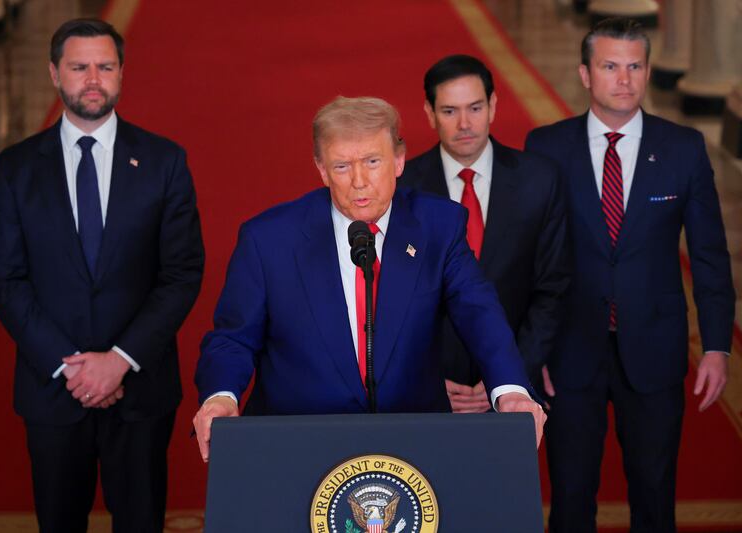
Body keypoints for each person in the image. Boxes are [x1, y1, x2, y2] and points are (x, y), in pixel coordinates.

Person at [192, 96, 546, 462]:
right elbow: (233, 339)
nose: (359, 181)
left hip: (412, 446)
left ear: (398, 160)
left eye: (373, 162)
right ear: (322, 169)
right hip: (296, 446)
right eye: (342, 166)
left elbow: (479, 313)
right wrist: (220, 397)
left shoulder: (439, 226)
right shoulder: (268, 239)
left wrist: (510, 389)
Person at [0, 18, 204, 533]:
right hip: (52, 388)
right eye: (79, 67)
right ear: (54, 73)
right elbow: (5, 281)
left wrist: (119, 361)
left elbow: (181, 272)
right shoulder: (15, 169)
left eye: (105, 67)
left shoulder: (164, 161)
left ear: (122, 74)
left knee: (141, 521)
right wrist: (74, 370)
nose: (92, 79)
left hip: (141, 388)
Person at [524, 18, 735, 533]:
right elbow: (530, 259)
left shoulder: (683, 149)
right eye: (610, 66)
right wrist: (533, 353)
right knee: (571, 498)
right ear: (585, 74)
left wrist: (715, 346)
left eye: (635, 66)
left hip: (656, 350)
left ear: (645, 72)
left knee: (655, 493)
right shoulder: (546, 148)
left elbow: (709, 254)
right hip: (570, 355)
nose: (624, 79)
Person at [400, 54, 569, 413]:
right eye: (449, 111)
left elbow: (552, 289)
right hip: (430, 391)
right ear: (429, 114)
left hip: (515, 392)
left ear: (493, 106)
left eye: (475, 108)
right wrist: (425, 380)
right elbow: (391, 300)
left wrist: (509, 378)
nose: (464, 123)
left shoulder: (540, 180)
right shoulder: (403, 191)